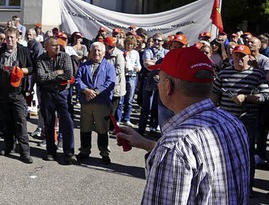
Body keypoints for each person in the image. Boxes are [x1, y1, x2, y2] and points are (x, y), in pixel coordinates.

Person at [119, 47, 250, 204]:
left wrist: (163, 148)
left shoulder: (175, 145)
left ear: (168, 86)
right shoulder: (233, 123)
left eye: (158, 79)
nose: (158, 84)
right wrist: (148, 144)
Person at [212, 44, 269, 192]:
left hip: (247, 120)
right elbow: (215, 93)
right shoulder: (224, 73)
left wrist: (246, 97)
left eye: (242, 55)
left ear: (249, 57)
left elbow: (264, 96)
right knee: (224, 153)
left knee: (246, 154)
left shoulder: (256, 74)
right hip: (225, 119)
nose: (238, 58)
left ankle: (246, 187)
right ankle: (224, 186)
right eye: (236, 55)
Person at [0, 27, 34, 164]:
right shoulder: (0, 52)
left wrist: (22, 71)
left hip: (18, 92)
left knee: (20, 121)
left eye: (12, 37)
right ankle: (8, 147)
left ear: (17, 38)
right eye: (7, 37)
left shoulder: (23, 51)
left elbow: (32, 68)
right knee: (6, 121)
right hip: (3, 91)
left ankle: (25, 152)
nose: (9, 40)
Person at [35, 37, 76, 164]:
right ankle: (50, 151)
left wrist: (51, 76)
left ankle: (69, 152)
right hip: (48, 94)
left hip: (62, 93)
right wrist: (58, 72)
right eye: (54, 45)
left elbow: (69, 74)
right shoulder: (41, 59)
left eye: (58, 45)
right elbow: (41, 77)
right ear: (46, 47)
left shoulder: (65, 57)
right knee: (49, 123)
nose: (57, 47)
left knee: (67, 123)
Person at [75, 41, 115, 163]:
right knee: (85, 127)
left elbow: (110, 83)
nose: (96, 53)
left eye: (99, 50)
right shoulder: (84, 65)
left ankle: (104, 153)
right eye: (94, 50)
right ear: (90, 52)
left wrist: (95, 92)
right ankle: (84, 151)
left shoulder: (109, 66)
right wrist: (85, 90)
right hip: (86, 102)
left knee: (102, 128)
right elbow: (77, 80)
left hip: (101, 102)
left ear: (103, 52)